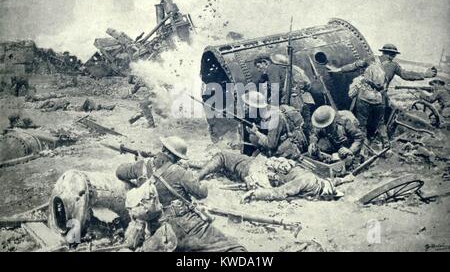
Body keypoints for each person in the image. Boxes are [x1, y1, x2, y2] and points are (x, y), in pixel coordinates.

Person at [116, 136, 246, 252]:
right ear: (177, 157)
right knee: (233, 247)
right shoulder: (180, 172)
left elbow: (120, 171)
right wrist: (196, 177)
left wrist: (142, 181)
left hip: (156, 228)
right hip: (184, 226)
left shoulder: (142, 166)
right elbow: (202, 193)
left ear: (163, 148)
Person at [242, 159, 355, 203]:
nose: (282, 167)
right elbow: (279, 193)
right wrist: (344, 179)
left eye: (283, 163)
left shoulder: (309, 180)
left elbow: (279, 192)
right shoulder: (305, 178)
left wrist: (256, 193)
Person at [243, 91, 308, 159]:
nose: (244, 107)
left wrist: (256, 132)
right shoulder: (265, 111)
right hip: (277, 144)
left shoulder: (274, 118)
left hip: (286, 152)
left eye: (247, 105)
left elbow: (270, 144)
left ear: (255, 107)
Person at [347, 58, 389, 147]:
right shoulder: (381, 75)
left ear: (362, 69)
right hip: (378, 101)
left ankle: (363, 147)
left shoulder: (359, 79)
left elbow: (351, 94)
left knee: (361, 125)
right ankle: (386, 143)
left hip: (364, 102)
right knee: (381, 123)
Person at [308, 106, 364, 170]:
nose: (325, 128)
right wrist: (312, 143)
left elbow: (359, 138)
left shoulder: (345, 121)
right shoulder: (321, 122)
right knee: (320, 146)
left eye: (328, 126)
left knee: (348, 163)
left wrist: (350, 150)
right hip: (334, 142)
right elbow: (314, 134)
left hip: (347, 146)